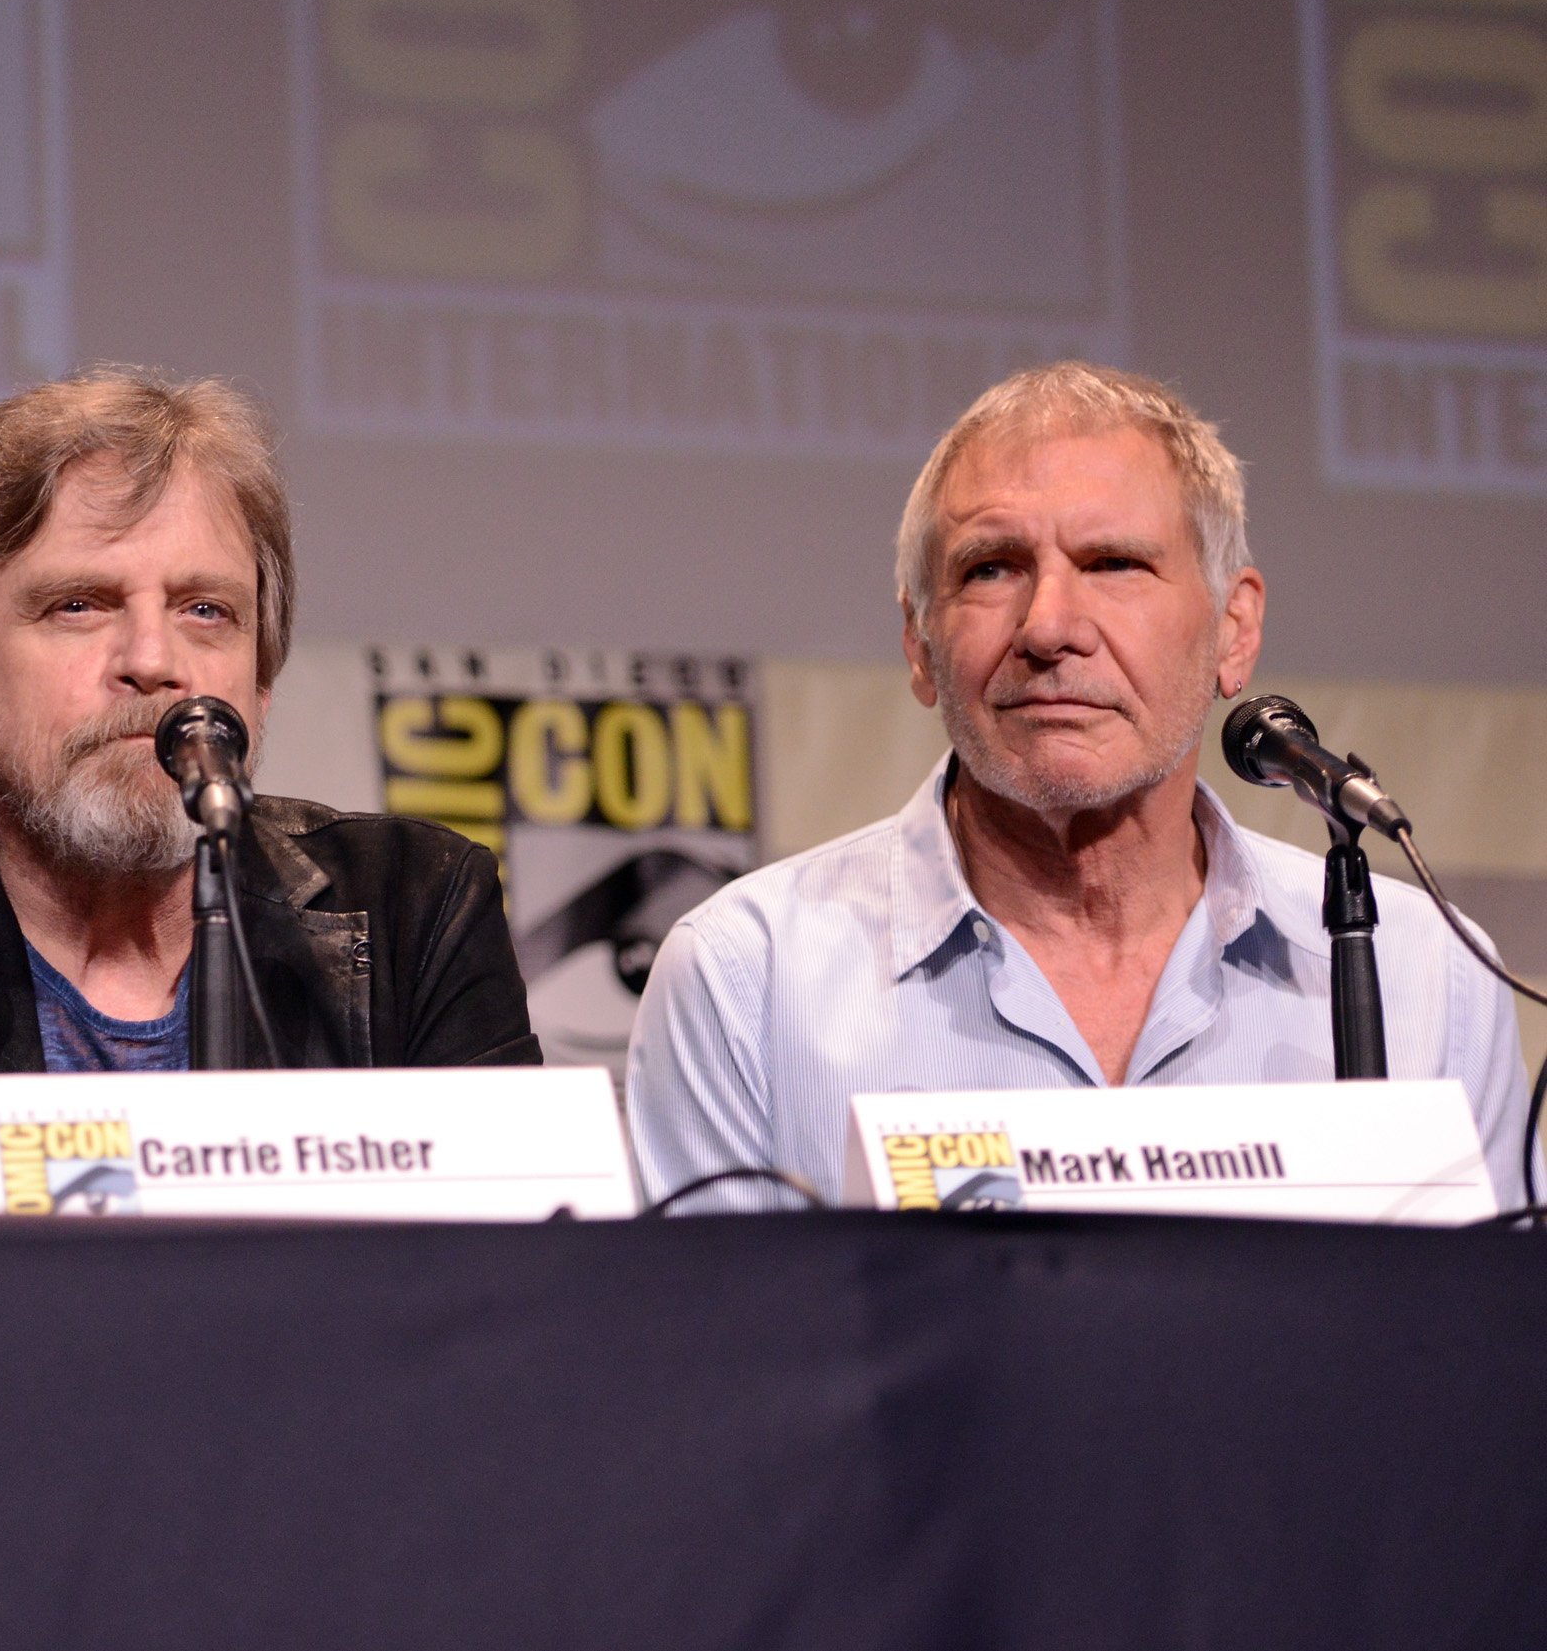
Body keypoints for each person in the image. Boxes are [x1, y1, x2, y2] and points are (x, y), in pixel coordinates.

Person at [625, 363, 1530, 1209]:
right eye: (992, 569)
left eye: (1112, 564)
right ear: (918, 641)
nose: (1049, 626)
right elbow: (714, 1373)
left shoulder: (1428, 976)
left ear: (1233, 628)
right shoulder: (748, 982)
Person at [0, 366, 541, 1201]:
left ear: (260, 683)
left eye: (206, 610)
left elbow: (531, 1298)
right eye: (79, 604)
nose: (154, 663)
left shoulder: (417, 911)